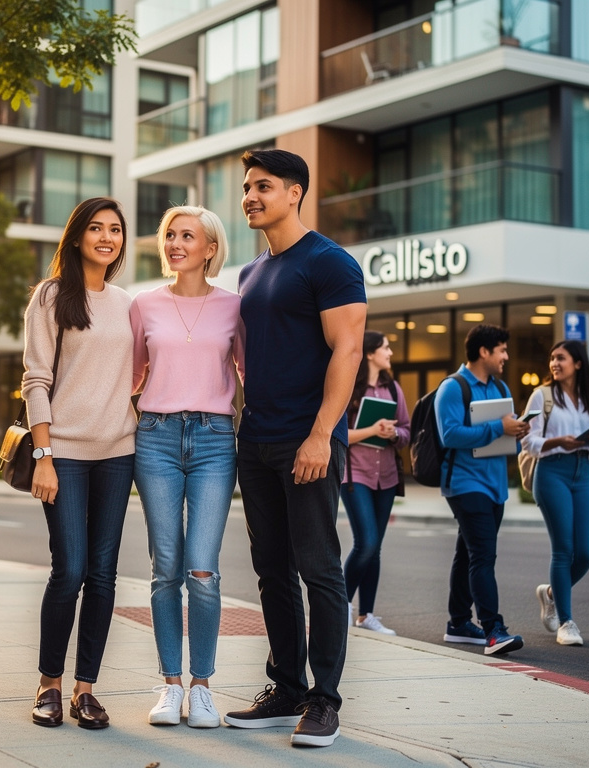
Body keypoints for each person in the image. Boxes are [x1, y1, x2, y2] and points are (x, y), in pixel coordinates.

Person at [223, 149, 367, 749]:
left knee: (319, 569)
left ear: (296, 192)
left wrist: (320, 434)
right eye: (247, 188)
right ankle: (285, 686)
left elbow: (348, 351)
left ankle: (324, 700)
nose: (251, 196)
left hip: (306, 442)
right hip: (254, 441)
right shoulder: (250, 274)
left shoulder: (330, 263)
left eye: (263, 186)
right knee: (271, 571)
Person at [22, 197, 136, 731]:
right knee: (68, 569)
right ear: (77, 237)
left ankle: (86, 690)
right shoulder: (49, 298)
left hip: (118, 453)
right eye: (96, 228)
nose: (107, 237)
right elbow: (36, 380)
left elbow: (137, 372)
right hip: (63, 453)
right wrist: (43, 455)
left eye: (115, 229)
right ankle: (49, 684)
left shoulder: (127, 303)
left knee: (104, 574)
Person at [130, 206, 244, 729]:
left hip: (215, 440)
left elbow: (250, 374)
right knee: (165, 567)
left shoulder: (234, 308)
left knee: (203, 567)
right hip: (154, 436)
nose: (175, 243)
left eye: (187, 236)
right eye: (170, 235)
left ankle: (202, 687)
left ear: (210, 249)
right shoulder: (144, 305)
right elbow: (129, 375)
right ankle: (170, 684)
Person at [435, 324, 529, 656]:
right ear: (484, 352)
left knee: (469, 555)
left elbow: (503, 441)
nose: (506, 356)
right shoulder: (452, 388)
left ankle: (458, 624)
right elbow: (451, 436)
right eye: (501, 350)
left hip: (495, 486)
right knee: (483, 557)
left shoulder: (500, 386)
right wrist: (498, 427)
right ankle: (493, 631)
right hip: (464, 484)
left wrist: (515, 433)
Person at [522, 340, 589, 647]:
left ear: (578, 363)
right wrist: (557, 441)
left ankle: (549, 593)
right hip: (551, 473)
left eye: (561, 358)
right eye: (552, 358)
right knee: (564, 549)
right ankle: (566, 621)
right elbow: (528, 442)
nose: (554, 363)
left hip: (584, 471)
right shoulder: (542, 395)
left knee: (587, 552)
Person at [341, 331, 409, 635]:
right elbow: (337, 433)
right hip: (355, 477)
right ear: (370, 353)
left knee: (376, 548)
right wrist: (372, 429)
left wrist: (393, 434)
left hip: (387, 478)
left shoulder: (393, 389)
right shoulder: (349, 388)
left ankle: (366, 614)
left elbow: (406, 430)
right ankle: (340, 603)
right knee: (366, 542)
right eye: (386, 347)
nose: (390, 352)